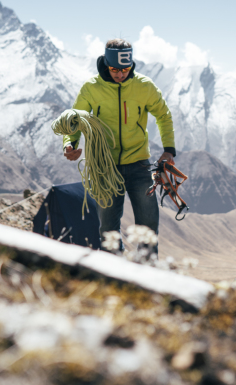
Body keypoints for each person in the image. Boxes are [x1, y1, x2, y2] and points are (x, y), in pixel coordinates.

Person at [62, 39, 176, 254]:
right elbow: (75, 119)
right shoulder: (92, 88)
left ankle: (146, 275)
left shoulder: (144, 86)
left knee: (149, 227)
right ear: (106, 63)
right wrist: (70, 144)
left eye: (125, 69)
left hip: (140, 165)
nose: (120, 74)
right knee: (108, 230)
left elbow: (163, 115)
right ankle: (114, 274)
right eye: (115, 69)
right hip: (106, 167)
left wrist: (169, 149)